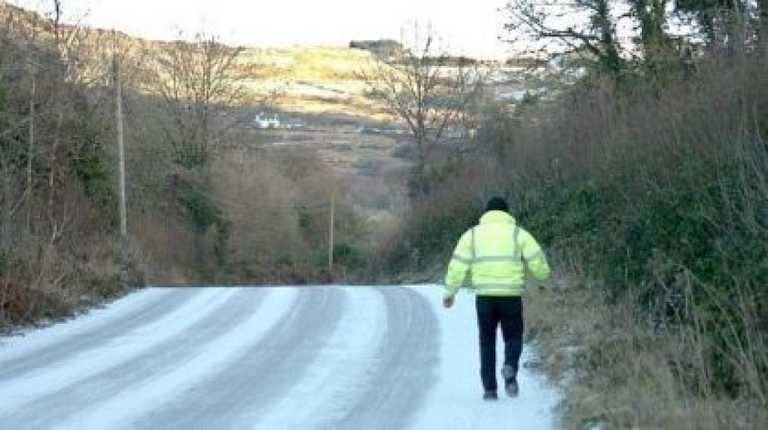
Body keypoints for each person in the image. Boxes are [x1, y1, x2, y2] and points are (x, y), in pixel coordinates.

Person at [443, 196, 551, 401]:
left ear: (486, 213)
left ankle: (490, 390)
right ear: (507, 213)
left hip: (484, 298)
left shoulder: (472, 235)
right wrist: (543, 277)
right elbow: (537, 259)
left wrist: (450, 293)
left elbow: (457, 265)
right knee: (514, 337)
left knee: (487, 342)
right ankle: (510, 366)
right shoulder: (518, 233)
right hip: (510, 296)